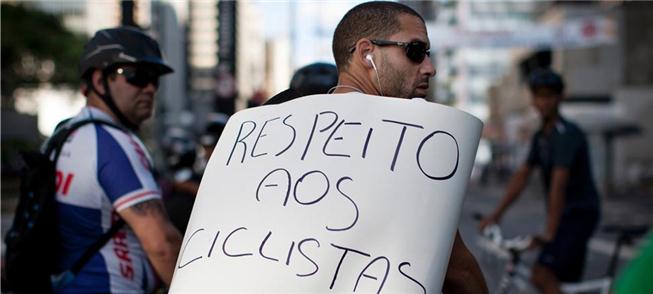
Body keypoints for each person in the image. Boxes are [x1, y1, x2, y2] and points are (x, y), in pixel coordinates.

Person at [267, 2, 489, 292]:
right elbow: (460, 271)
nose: (430, 68)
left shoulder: (282, 125)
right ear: (366, 52)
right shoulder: (410, 143)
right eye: (415, 51)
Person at [54, 26, 182, 292]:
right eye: (136, 76)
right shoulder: (112, 143)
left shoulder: (61, 136)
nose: (149, 88)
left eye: (154, 80)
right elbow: (162, 244)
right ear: (100, 81)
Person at [479, 69, 601, 294]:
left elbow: (558, 184)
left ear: (560, 97)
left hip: (579, 215)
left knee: (541, 274)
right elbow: (521, 177)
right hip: (564, 216)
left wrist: (550, 232)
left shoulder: (566, 134)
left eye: (549, 95)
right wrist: (495, 216)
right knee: (559, 280)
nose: (543, 101)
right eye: (538, 95)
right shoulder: (541, 136)